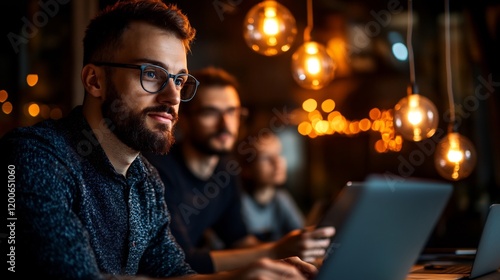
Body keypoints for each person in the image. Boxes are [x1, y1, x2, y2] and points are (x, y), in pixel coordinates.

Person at [0, 1, 319, 279]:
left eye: (179, 80)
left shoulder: (146, 180)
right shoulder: (33, 157)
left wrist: (265, 272)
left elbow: (173, 273)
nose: (172, 97)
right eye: (152, 73)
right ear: (94, 80)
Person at [144, 66, 335, 274]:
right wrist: (274, 250)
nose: (226, 124)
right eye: (210, 112)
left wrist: (294, 258)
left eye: (232, 112)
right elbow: (177, 262)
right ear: (185, 120)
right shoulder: (158, 171)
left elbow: (239, 240)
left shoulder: (226, 171)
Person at [237, 130, 305, 242]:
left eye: (279, 154)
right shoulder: (237, 203)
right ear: (247, 169)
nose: (277, 162)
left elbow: (300, 233)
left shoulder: (281, 198)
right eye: (265, 157)